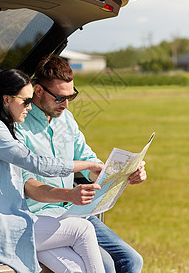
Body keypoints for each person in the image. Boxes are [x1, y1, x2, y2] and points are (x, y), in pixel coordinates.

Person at [0, 69, 106, 273]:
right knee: (83, 229)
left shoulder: (3, 127)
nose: (30, 106)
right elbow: (35, 163)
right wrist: (87, 165)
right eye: (25, 101)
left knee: (75, 269)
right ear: (6, 99)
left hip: (14, 221)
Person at [15, 55, 146, 273]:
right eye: (59, 98)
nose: (66, 105)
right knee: (106, 265)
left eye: (71, 96)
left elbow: (91, 165)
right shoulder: (20, 124)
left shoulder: (67, 120)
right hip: (42, 217)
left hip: (75, 212)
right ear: (38, 91)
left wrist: (126, 173)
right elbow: (25, 185)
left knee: (132, 260)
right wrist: (67, 194)